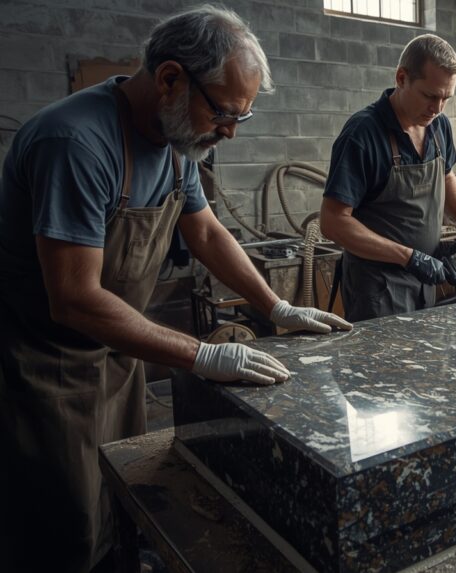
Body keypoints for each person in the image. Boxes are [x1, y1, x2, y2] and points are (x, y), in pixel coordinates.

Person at [0, 6, 350, 572]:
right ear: (169, 78)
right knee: (62, 528)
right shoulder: (76, 143)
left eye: (244, 116)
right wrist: (202, 354)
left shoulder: (174, 141)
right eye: (225, 112)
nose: (231, 131)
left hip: (118, 358)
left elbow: (207, 231)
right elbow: (73, 297)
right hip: (47, 369)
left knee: (121, 500)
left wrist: (276, 306)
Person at [320, 34, 456, 322]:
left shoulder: (439, 126)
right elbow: (333, 222)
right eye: (430, 95)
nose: (438, 108)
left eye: (446, 98)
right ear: (401, 78)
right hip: (378, 288)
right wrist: (409, 257)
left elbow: (446, 176)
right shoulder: (363, 134)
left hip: (426, 278)